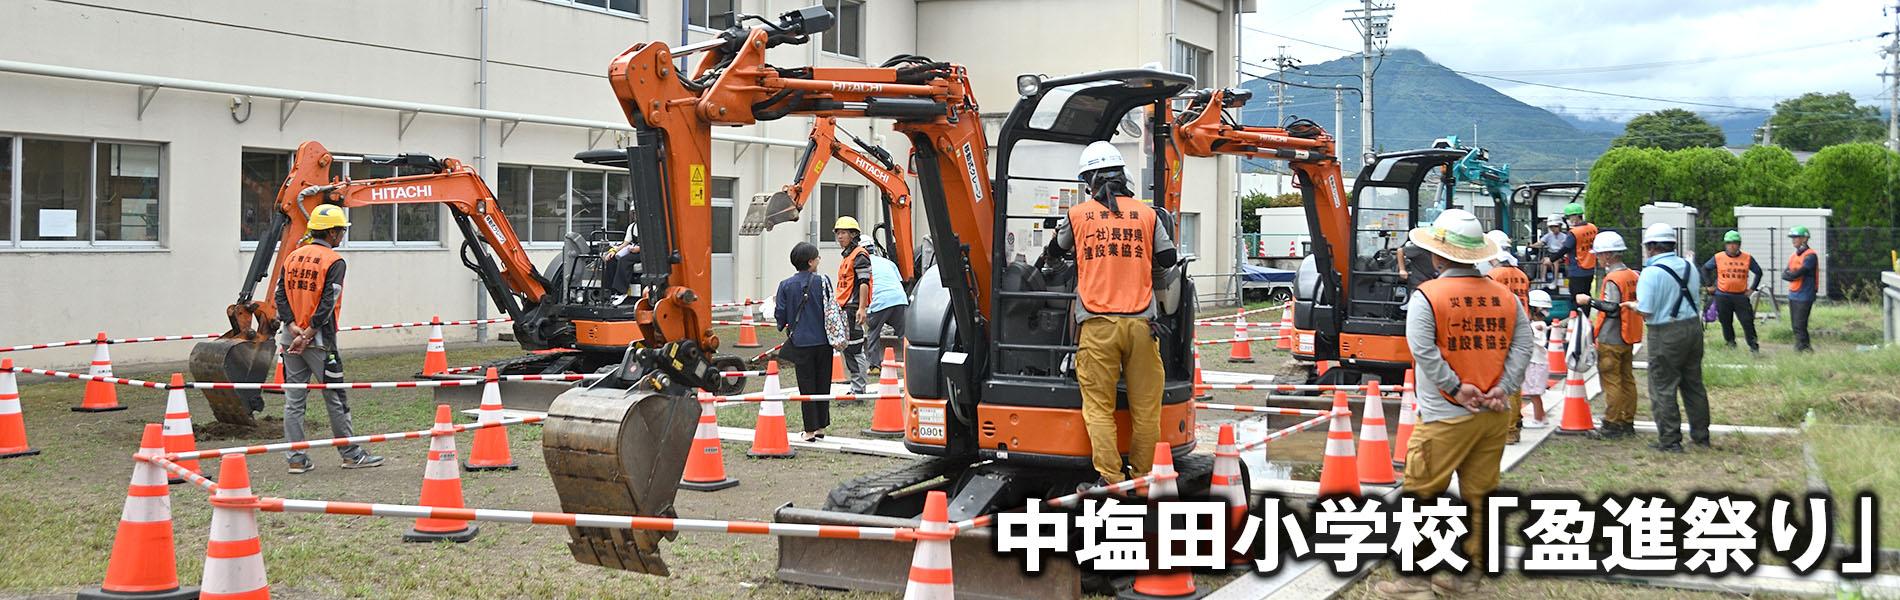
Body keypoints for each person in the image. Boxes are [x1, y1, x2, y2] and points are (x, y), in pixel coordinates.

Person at [1374, 208, 1534, 599]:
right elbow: (1524, 344)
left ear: (1438, 256)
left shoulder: (1428, 295)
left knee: (1422, 494)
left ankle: (1414, 582)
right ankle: (1467, 578)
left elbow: (1423, 350)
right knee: (1481, 495)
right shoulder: (1505, 297)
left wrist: (1456, 387)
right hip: (1493, 416)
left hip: (1444, 418)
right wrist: (1503, 386)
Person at [1049, 140, 1177, 491]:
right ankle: (1141, 477)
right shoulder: (1148, 214)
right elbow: (1167, 260)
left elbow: (1054, 251)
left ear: (1088, 181)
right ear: (1123, 176)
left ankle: (1110, 479)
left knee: (1098, 408)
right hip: (1141, 324)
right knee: (1146, 409)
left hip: (1097, 326)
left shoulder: (1077, 215)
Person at [273, 204, 383, 474]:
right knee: (335, 396)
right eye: (342, 230)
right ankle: (350, 454)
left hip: (290, 340)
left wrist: (293, 328)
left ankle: (296, 458)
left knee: (294, 400)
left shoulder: (292, 257)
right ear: (332, 232)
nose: (342, 235)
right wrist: (308, 333)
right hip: (320, 342)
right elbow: (327, 303)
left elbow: (280, 296)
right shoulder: (334, 262)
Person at [1630, 223, 1708, 452]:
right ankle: (1701, 436)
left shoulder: (1650, 273)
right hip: (1693, 328)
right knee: (1694, 384)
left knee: (1663, 386)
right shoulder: (1689, 266)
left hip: (1665, 331)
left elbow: (1646, 310)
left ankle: (1670, 440)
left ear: (1652, 246)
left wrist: (1631, 306)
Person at [774, 242, 845, 442]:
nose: (819, 261)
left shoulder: (785, 285)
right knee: (823, 383)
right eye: (817, 257)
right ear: (810, 261)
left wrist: (784, 325)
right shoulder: (823, 281)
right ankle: (822, 426)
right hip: (823, 340)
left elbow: (780, 313)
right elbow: (831, 308)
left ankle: (810, 431)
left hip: (801, 341)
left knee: (806, 386)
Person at [1576, 231, 1640, 439]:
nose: (1598, 259)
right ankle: (1627, 421)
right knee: (1627, 379)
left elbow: (1612, 307)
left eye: (1600, 255)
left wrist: (1589, 301)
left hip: (1611, 337)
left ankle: (1612, 424)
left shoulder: (1613, 278)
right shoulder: (1632, 275)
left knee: (1611, 381)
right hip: (1627, 335)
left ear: (1609, 255)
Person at [1484, 230, 1531, 444]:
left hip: (1501, 330)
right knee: (1516, 378)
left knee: (1505, 379)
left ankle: (1509, 428)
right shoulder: (1520, 274)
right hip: (1521, 328)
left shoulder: (1494, 276)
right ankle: (1517, 423)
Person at [833, 216, 875, 396]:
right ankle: (855, 388)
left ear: (853, 234)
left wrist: (862, 308)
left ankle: (859, 390)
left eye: (843, 233)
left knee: (855, 348)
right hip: (845, 308)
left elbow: (864, 282)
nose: (839, 237)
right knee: (848, 347)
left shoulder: (859, 255)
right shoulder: (847, 255)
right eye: (838, 233)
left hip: (854, 308)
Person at [1701, 230, 1762, 353]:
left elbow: (1758, 272)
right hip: (1723, 295)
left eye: (1735, 243)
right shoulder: (1719, 257)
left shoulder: (1747, 258)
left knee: (1747, 321)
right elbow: (1705, 268)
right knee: (1725, 321)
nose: (1732, 246)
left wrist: (1752, 289)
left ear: (1739, 244)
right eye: (1729, 243)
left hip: (1740, 295)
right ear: (1725, 245)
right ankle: (1730, 343)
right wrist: (1709, 285)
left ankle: (1753, 346)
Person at [862, 251, 909, 376]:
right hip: (899, 298)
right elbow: (899, 280)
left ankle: (875, 366)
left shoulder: (861, 263)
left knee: (873, 333)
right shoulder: (888, 262)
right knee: (904, 334)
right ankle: (910, 364)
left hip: (879, 300)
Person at [1783, 225, 1819, 353]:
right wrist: (1791, 275)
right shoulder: (1793, 256)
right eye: (1792, 238)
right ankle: (1807, 349)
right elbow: (1785, 274)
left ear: (1804, 239)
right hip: (1794, 293)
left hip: (1805, 294)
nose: (1793, 240)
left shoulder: (1810, 256)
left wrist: (1791, 275)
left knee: (1799, 325)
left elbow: (1799, 272)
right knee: (1796, 325)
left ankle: (1799, 350)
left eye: (1796, 237)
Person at [1552, 203, 1599, 298]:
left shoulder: (1574, 232)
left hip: (1577, 268)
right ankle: (1586, 312)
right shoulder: (1592, 228)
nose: (1568, 220)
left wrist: (1551, 259)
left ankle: (1579, 312)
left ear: (1575, 217)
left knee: (1577, 297)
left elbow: (1565, 249)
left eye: (1568, 218)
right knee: (1586, 294)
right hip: (1590, 267)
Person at [1521, 289, 1553, 429]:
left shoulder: (1536, 326)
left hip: (1535, 363)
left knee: (1534, 394)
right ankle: (1542, 417)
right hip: (1538, 362)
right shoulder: (1540, 325)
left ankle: (1538, 419)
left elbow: (1532, 336)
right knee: (1535, 393)